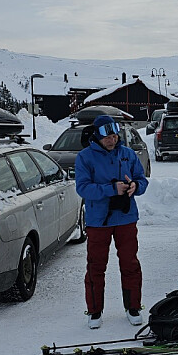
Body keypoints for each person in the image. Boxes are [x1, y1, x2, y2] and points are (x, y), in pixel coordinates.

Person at [74, 114, 149, 329]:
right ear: (97, 136)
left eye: (115, 135)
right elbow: (82, 187)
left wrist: (135, 186)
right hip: (99, 220)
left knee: (130, 263)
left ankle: (133, 307)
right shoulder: (85, 157)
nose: (112, 139)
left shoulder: (127, 154)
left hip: (125, 218)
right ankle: (95, 311)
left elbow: (142, 180)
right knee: (96, 266)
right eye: (107, 136)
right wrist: (111, 189)